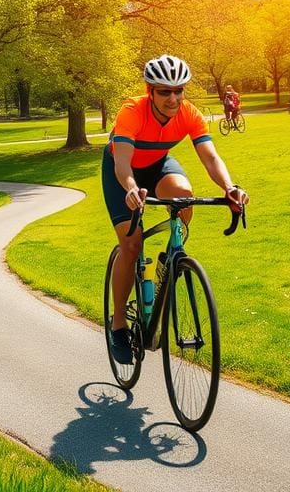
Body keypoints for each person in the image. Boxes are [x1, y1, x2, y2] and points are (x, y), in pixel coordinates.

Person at [103, 54, 249, 364]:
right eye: (165, 91)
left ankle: (171, 256)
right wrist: (131, 189)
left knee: (183, 195)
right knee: (131, 244)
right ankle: (118, 323)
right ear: (150, 91)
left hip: (157, 165)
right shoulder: (132, 111)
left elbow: (210, 157)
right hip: (122, 173)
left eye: (179, 90)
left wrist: (229, 188)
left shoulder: (189, 114)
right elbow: (122, 162)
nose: (173, 98)